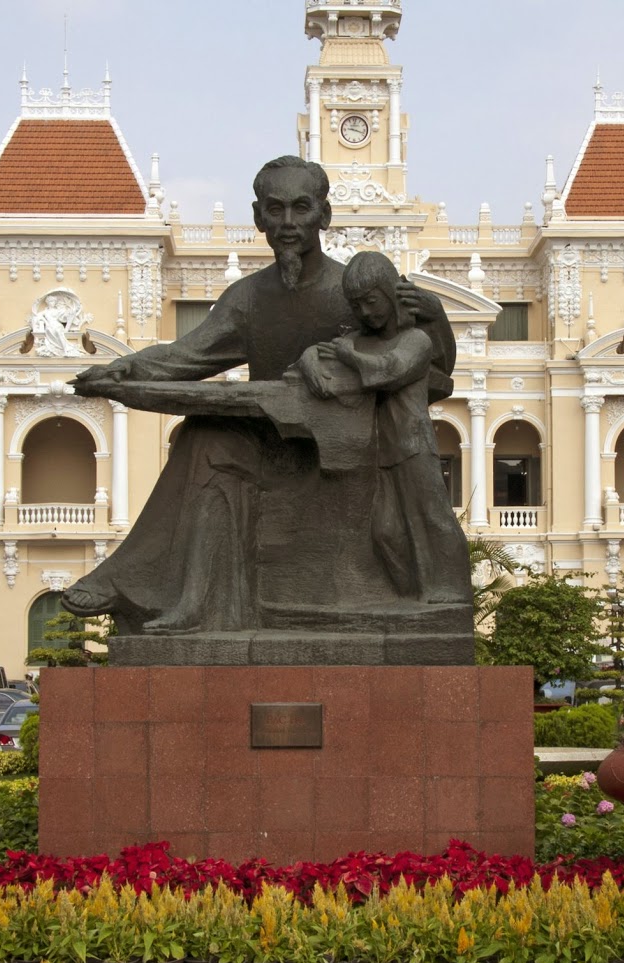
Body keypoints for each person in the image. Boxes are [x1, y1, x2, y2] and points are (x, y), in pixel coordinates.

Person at [64, 156, 454, 635]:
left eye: (301, 208)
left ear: (324, 215)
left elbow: (429, 369)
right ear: (258, 217)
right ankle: (189, 601)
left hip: (340, 453)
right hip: (269, 441)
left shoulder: (356, 291)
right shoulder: (247, 297)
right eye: (275, 209)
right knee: (204, 437)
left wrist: (435, 317)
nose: (288, 223)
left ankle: (150, 587)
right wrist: (126, 368)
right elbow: (188, 355)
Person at [300, 251, 469, 604]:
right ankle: (410, 596)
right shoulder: (362, 341)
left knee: (434, 518)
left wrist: (348, 356)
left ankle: (451, 593)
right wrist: (308, 360)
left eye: (371, 301)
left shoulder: (416, 340)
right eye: (356, 305)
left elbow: (388, 371)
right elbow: (322, 351)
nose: (365, 312)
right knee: (385, 531)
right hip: (378, 450)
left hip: (413, 446)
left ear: (391, 294)